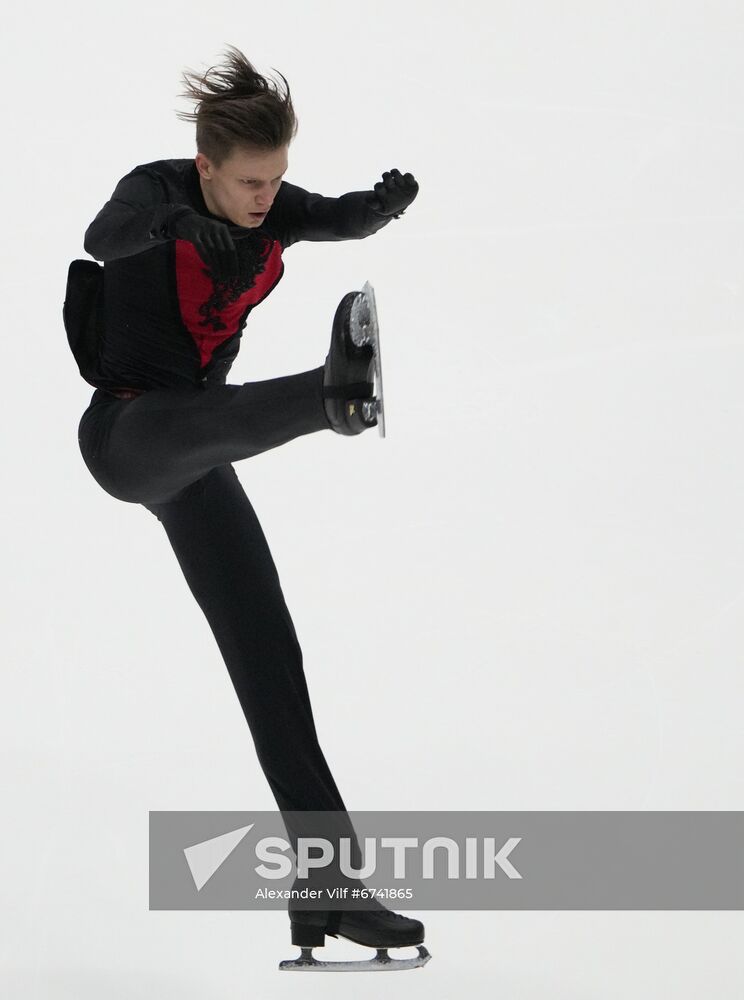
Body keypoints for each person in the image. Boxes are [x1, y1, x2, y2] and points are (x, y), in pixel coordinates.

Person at [70, 45, 426, 970]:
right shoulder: (155, 192)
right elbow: (103, 239)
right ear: (205, 169)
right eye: (248, 183)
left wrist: (379, 208)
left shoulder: (273, 202)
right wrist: (182, 231)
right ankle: (331, 396)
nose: (266, 198)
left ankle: (328, 892)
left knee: (270, 656)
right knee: (206, 417)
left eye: (274, 180)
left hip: (203, 452)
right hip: (131, 435)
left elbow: (332, 217)